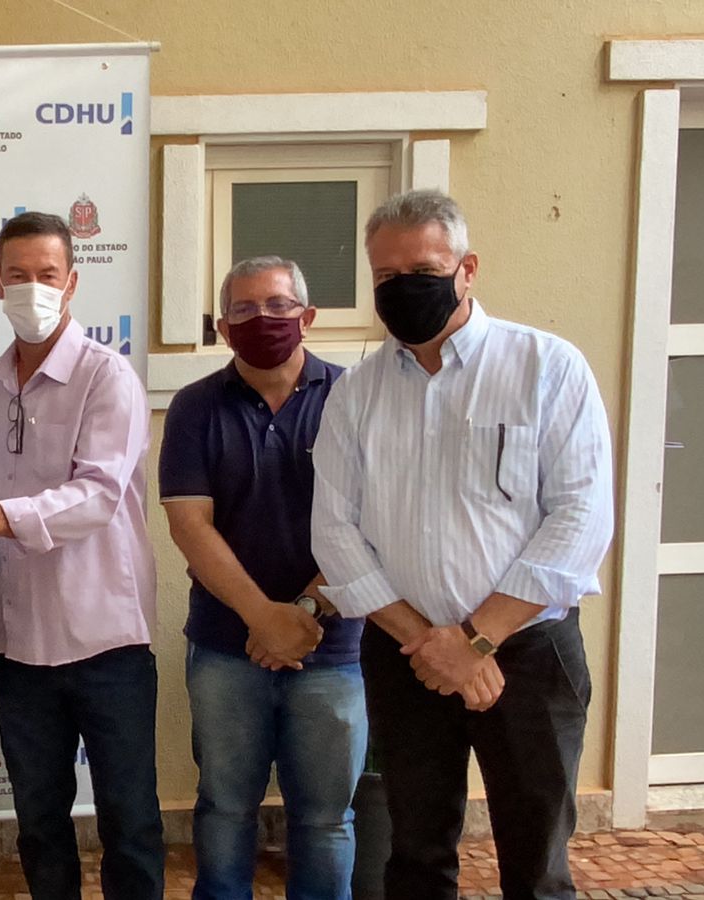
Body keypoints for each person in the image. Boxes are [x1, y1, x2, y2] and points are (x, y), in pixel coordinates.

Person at [312, 189, 614, 900]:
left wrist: (476, 640)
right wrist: (430, 643)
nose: (402, 288)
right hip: (407, 657)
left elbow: (580, 517)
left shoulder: (547, 366)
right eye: (386, 276)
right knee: (415, 856)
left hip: (528, 655)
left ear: (467, 269)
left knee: (537, 865)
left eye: (423, 270)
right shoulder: (356, 394)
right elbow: (334, 531)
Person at [0, 211, 163, 899]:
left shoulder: (107, 376)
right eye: (18, 275)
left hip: (106, 638)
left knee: (129, 818)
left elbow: (98, 496)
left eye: (47, 275)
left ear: (72, 282)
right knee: (38, 820)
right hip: (21, 643)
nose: (33, 288)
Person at [161, 256, 363, 900]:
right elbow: (190, 525)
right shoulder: (195, 406)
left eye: (278, 306)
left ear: (308, 316)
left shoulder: (355, 398)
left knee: (327, 819)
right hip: (227, 648)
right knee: (224, 808)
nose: (263, 319)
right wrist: (264, 618)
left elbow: (376, 523)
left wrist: (302, 612)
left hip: (334, 648)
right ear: (223, 327)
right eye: (244, 309)